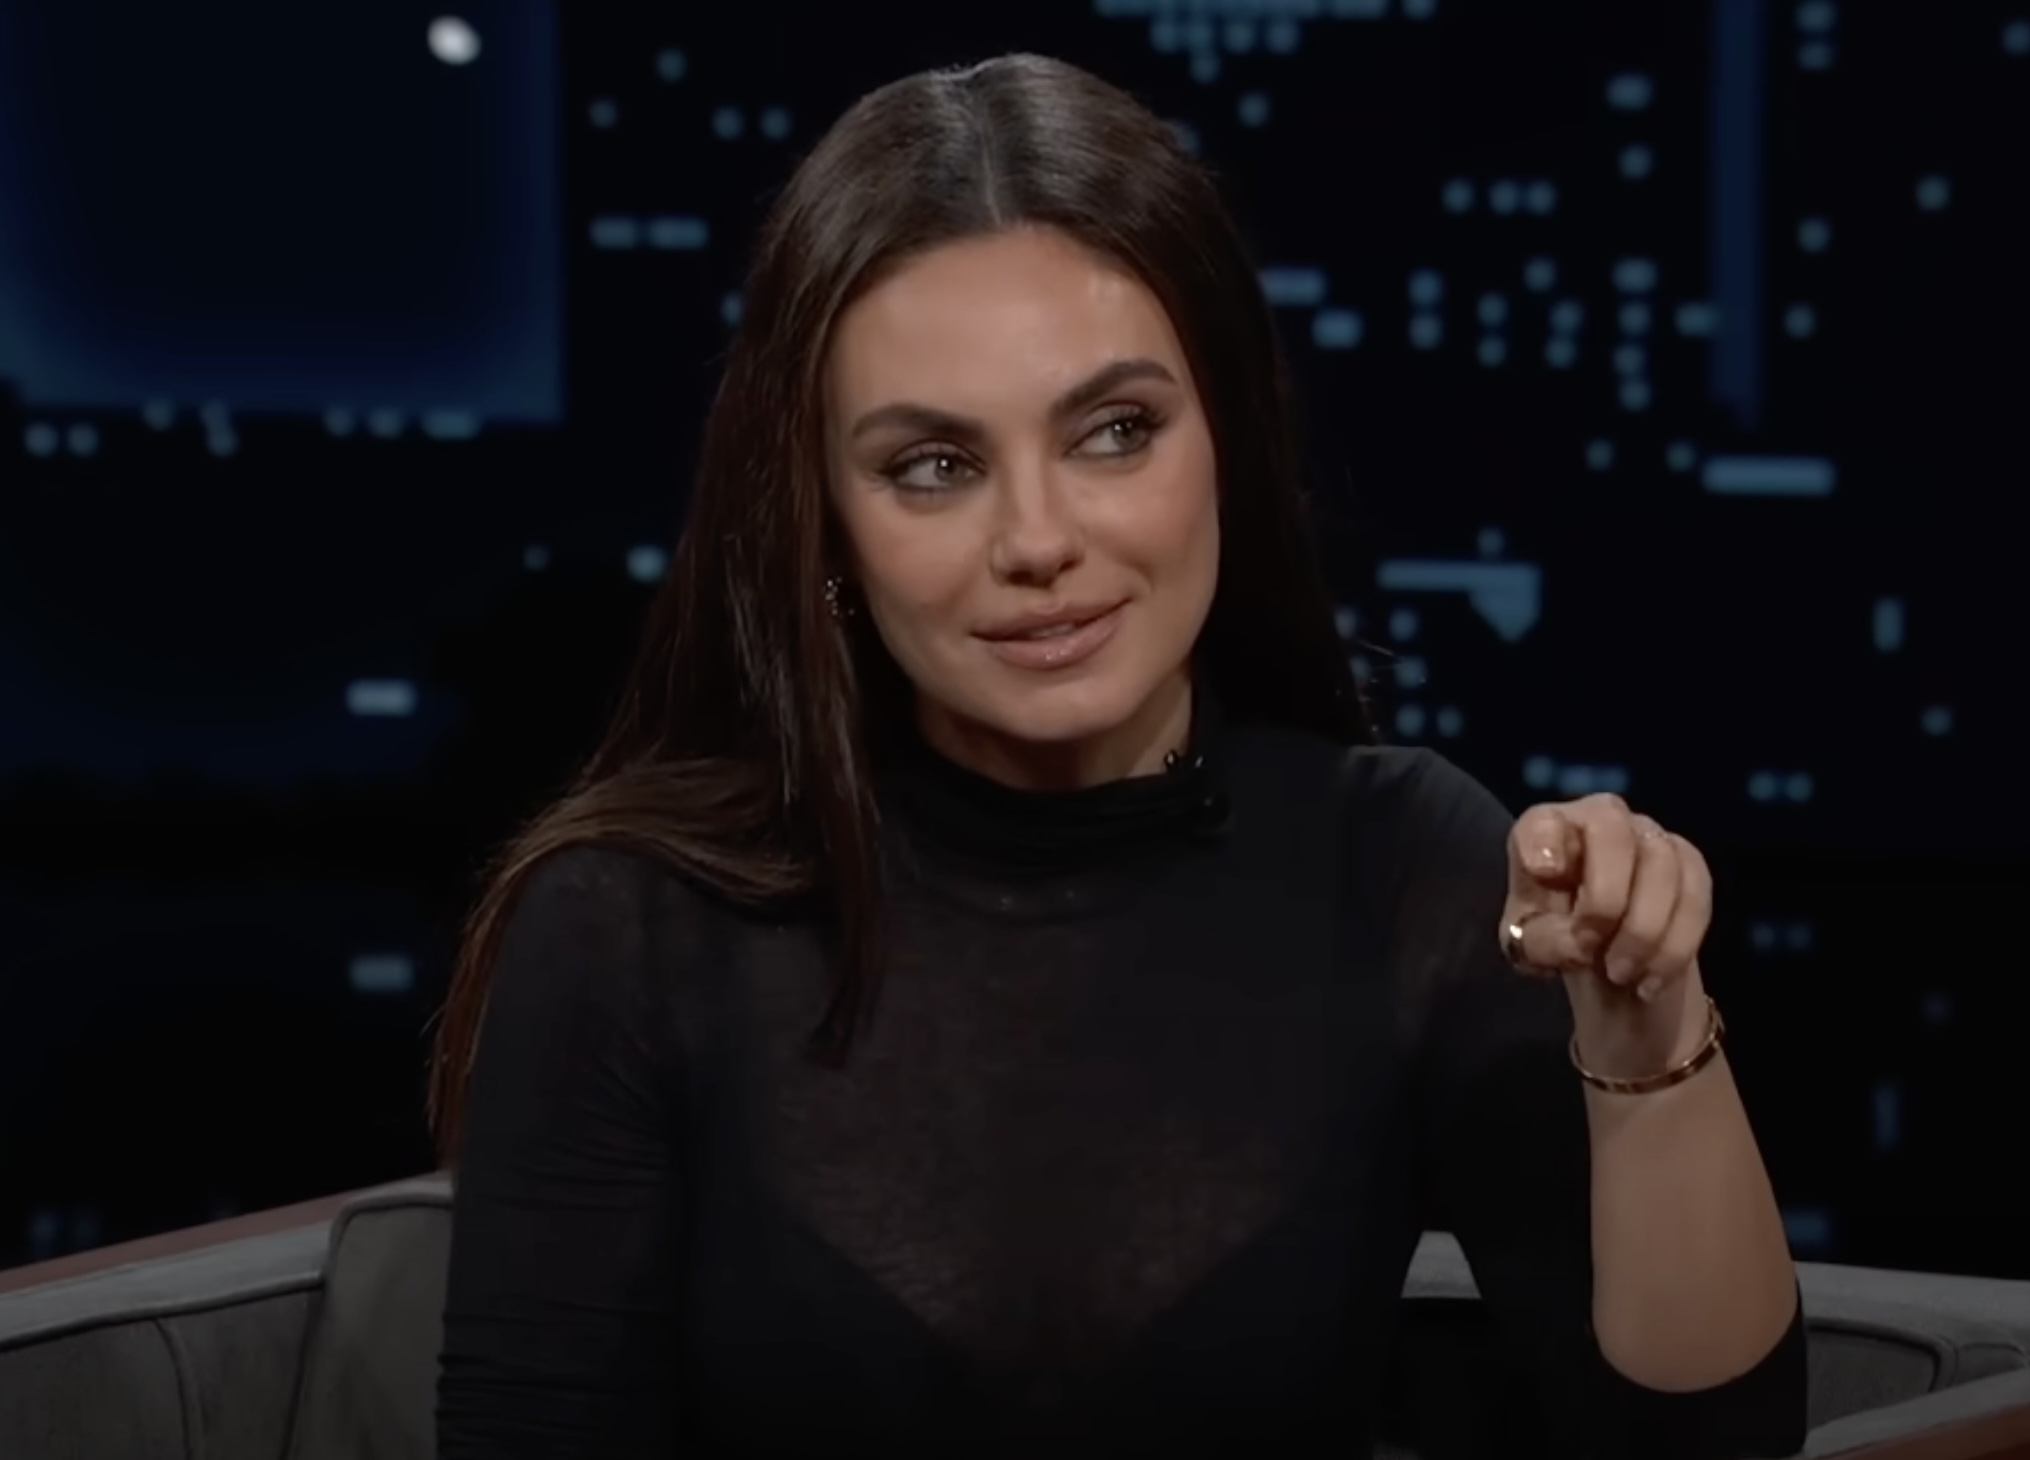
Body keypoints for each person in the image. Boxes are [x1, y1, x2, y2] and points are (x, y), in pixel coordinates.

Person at [427, 52, 1808, 1460]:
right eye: (934, 466)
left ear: (1226, 440)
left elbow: (1716, 1449)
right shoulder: (631, 927)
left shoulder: (1400, 867)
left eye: (1115, 432)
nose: (1037, 541)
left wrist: (1648, 1042)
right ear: (823, 522)